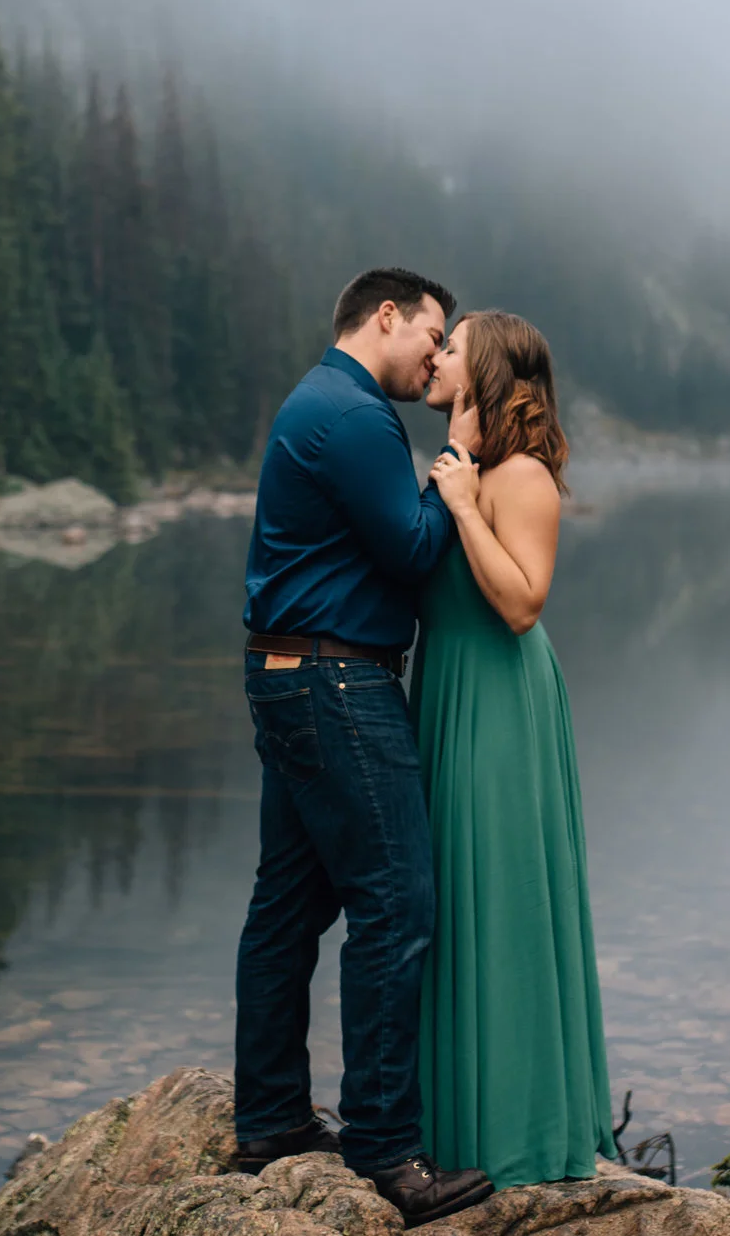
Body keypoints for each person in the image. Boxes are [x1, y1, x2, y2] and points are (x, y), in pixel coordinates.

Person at [233, 267, 498, 1227]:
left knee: (289, 905)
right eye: (432, 335)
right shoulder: (352, 415)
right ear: (385, 316)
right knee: (396, 903)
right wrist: (458, 454)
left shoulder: (320, 399)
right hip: (337, 682)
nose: (437, 355)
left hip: (289, 671)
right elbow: (415, 548)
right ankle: (386, 1145)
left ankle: (267, 1120)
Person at [414, 310, 612, 1186]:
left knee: (500, 897)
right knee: (454, 900)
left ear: (485, 367)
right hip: (449, 689)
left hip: (500, 698)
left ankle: (522, 1136)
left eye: (450, 346)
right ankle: (451, 1128)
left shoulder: (520, 474)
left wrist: (461, 503)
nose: (435, 355)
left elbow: (524, 601)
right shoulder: (474, 466)